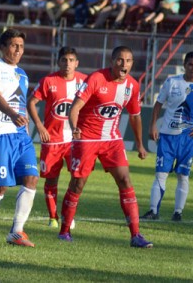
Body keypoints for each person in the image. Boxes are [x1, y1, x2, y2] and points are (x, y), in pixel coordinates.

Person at [58, 45, 153, 248]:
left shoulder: (133, 86)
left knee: (125, 180)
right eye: (120, 60)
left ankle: (136, 235)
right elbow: (75, 107)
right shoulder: (96, 79)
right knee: (78, 185)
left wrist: (140, 144)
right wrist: (75, 128)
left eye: (128, 61)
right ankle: (64, 231)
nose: (124, 64)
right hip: (86, 139)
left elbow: (135, 116)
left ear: (132, 64)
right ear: (112, 61)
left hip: (112, 139)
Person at [141, 51, 193, 222]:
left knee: (183, 175)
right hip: (167, 137)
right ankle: (153, 211)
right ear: (185, 65)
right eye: (191, 64)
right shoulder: (172, 82)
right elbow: (158, 105)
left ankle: (178, 212)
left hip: (188, 138)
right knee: (161, 174)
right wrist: (153, 125)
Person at [0, 28, 39, 248]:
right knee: (0, 187)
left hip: (20, 136)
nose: (17, 50)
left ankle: (17, 231)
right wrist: (13, 114)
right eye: (13, 45)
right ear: (3, 47)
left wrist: (25, 123)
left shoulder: (23, 74)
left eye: (21, 46)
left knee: (31, 179)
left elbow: (21, 102)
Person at [27, 46, 87, 228]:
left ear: (76, 63)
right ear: (58, 62)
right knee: (51, 180)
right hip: (52, 140)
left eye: (71, 60)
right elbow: (31, 102)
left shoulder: (85, 81)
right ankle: (53, 217)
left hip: (75, 141)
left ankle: (68, 214)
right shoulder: (48, 81)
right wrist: (39, 126)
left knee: (77, 179)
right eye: (64, 60)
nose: (67, 64)